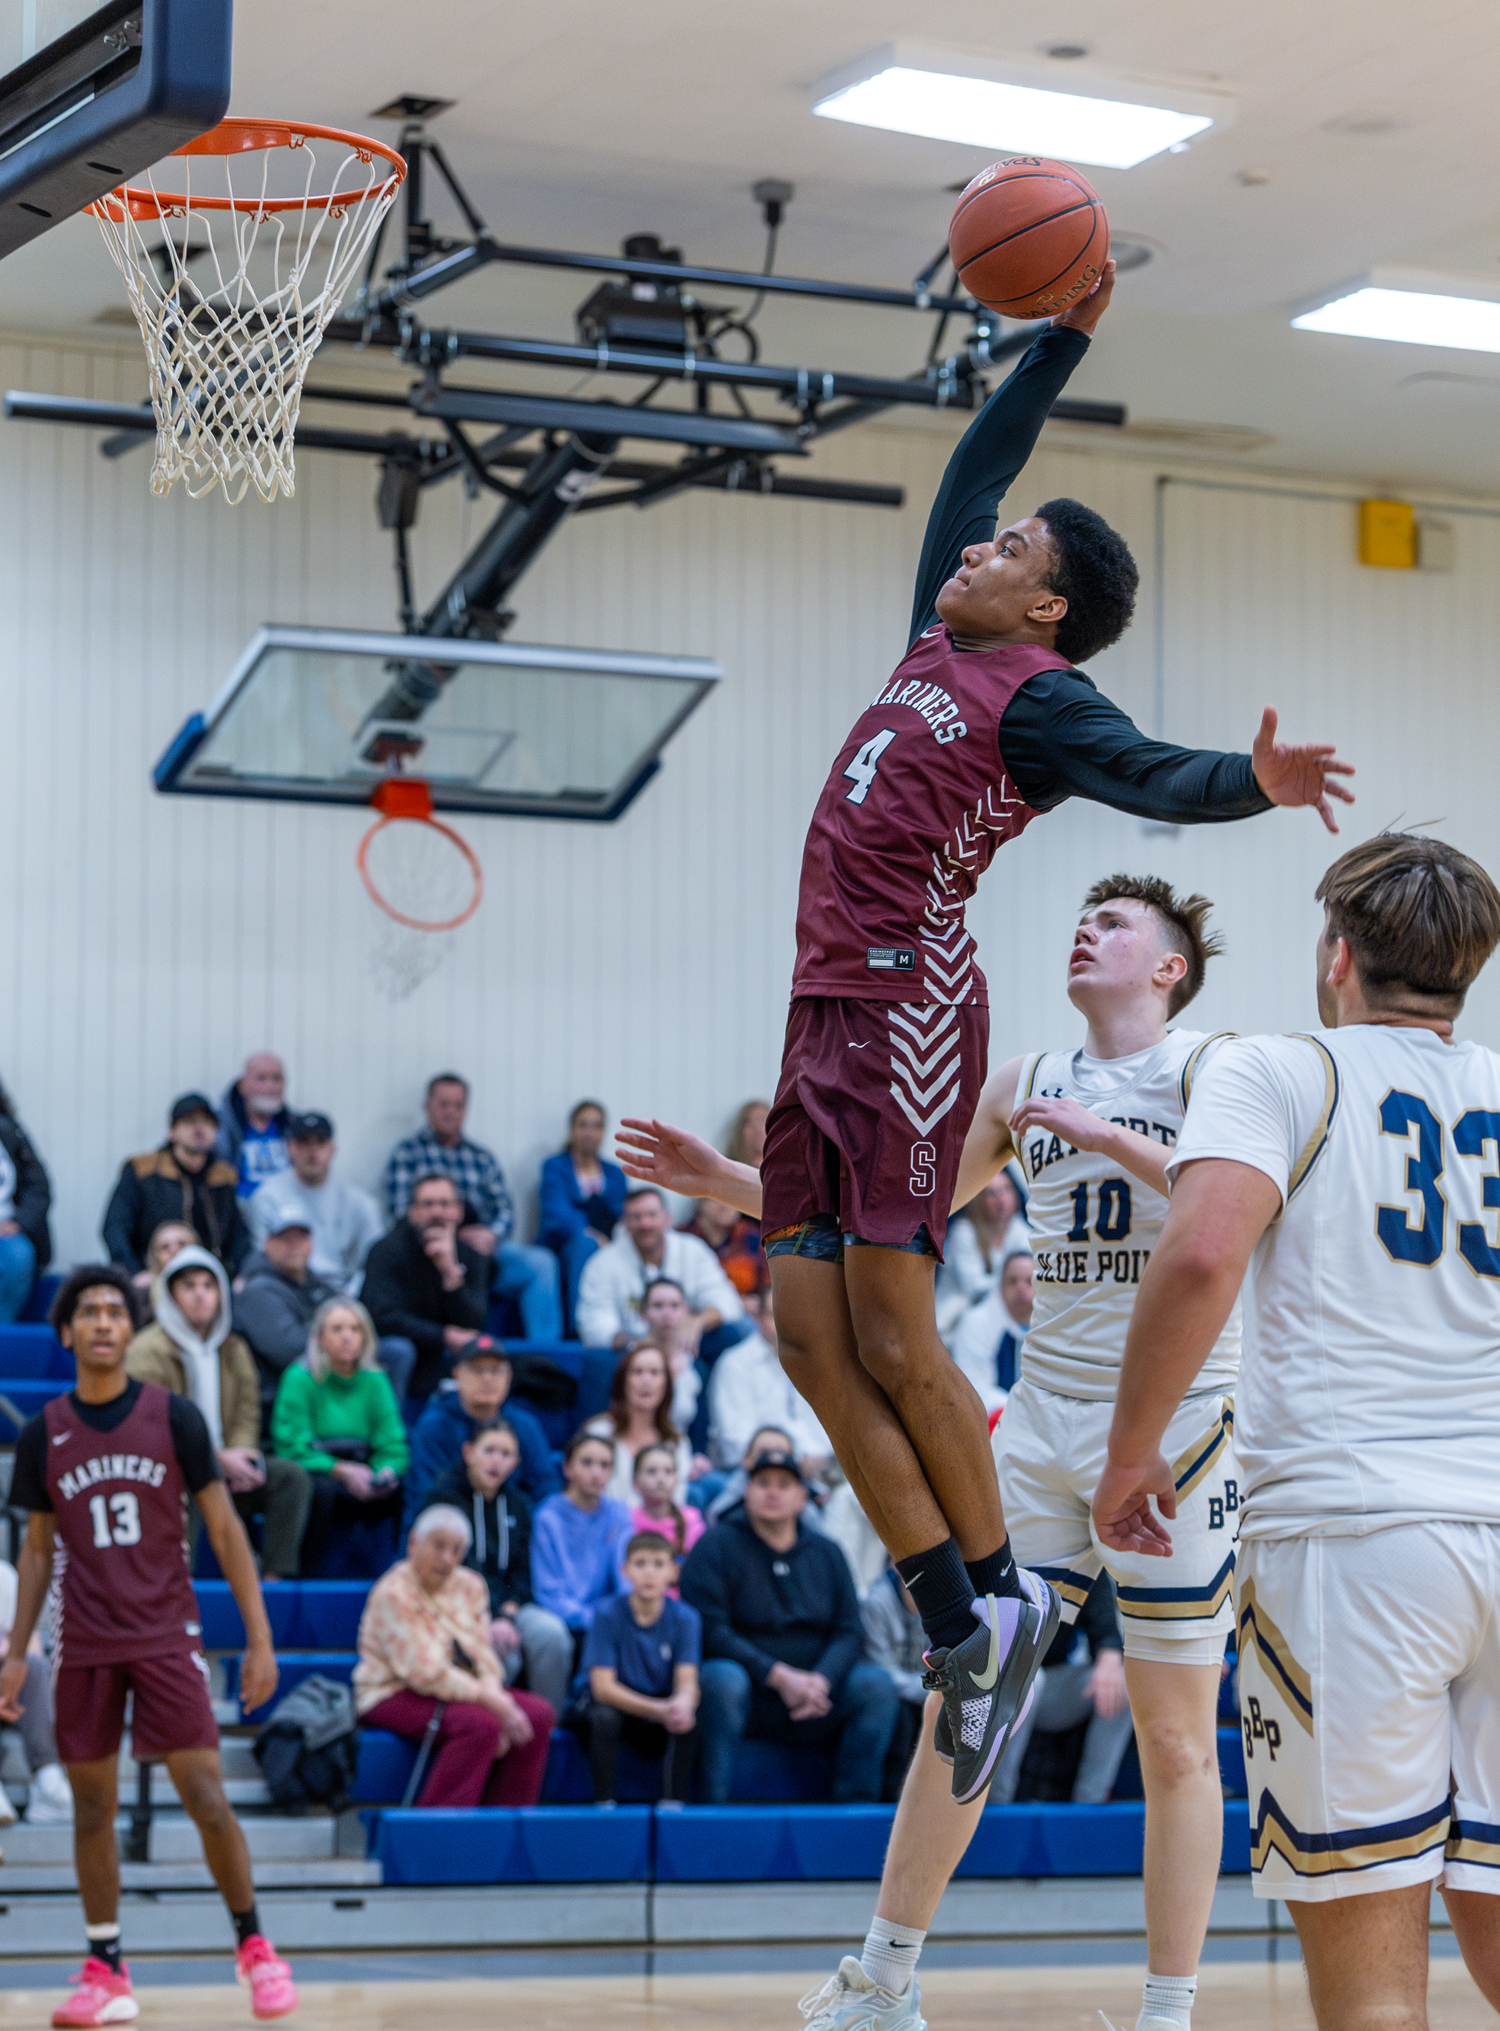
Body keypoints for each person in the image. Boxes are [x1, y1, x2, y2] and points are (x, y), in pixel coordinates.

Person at [715, 257, 1354, 1806]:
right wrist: (1059, 333)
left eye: (1011, 551)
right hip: (816, 1010)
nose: (981, 544)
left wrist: (1250, 787)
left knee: (887, 1324)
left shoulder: (1037, 697)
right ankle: (959, 1616)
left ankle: (995, 1592)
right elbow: (976, 465)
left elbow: (1152, 770)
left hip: (909, 1001)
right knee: (801, 1335)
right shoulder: (938, 629)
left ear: (1046, 604)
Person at [620, 872, 1247, 2031]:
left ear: (1169, 968)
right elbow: (894, 1223)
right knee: (969, 1698)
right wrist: (727, 1184)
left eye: (1113, 922)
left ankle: (1169, 2014)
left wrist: (1108, 1136)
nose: (1085, 926)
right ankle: (885, 1980)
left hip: (1176, 1436)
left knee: (1172, 1735)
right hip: (1042, 1424)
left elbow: (1238, 1204)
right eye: (1083, 912)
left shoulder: (1216, 1068)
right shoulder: (1024, 1082)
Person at [1092, 833, 1500, 2031]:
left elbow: (1205, 1249)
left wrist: (1130, 1451)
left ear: (1336, 956)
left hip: (1353, 1539)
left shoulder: (1279, 1066)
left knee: (1373, 1986)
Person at [0, 1266, 297, 2023]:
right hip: (85, 1639)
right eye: (88, 1312)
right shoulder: (43, 1433)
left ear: (130, 1331)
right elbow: (36, 1548)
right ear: (66, 1332)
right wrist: (15, 1648)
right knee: (91, 1809)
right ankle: (106, 1966)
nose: (103, 1322)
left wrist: (259, 1637)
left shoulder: (176, 1417)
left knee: (203, 1792)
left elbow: (225, 1529)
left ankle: (255, 1946)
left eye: (114, 1311)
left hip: (167, 1631)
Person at [682, 1449, 898, 1804]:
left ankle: (853, 1814)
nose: (772, 1492)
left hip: (818, 1694)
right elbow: (709, 1629)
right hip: (750, 1690)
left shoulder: (828, 1552)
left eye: (784, 1484)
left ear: (802, 1497)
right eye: (763, 1482)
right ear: (746, 1491)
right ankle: (711, 1809)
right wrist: (779, 1676)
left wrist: (822, 1679)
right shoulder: (715, 1546)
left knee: (875, 1687)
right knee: (721, 1680)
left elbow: (848, 1629)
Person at [127, 1246, 311, 1583]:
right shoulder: (145, 1351)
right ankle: (181, 1588)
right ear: (170, 1294)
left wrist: (241, 1456)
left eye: (208, 1286)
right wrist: (215, 1459)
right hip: (169, 1468)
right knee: (197, 1480)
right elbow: (152, 1427)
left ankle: (273, 1581)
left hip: (226, 1462)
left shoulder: (234, 1348)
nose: (201, 1295)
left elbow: (247, 1412)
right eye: (189, 1286)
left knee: (290, 1478)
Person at [353, 1506, 553, 1808]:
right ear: (413, 1543)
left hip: (461, 1690)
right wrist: (493, 1703)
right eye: (438, 1546)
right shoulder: (392, 1592)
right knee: (480, 1724)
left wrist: (495, 1694)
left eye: (457, 1550)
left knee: (538, 1715)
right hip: (392, 1690)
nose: (448, 1559)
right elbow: (423, 1671)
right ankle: (436, 1833)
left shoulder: (471, 1585)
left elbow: (483, 1654)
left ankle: (503, 1825)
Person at [384, 1075, 562, 1343]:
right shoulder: (407, 1154)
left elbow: (504, 1208)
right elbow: (402, 1213)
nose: (450, 1111)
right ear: (427, 1107)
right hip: (428, 1252)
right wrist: (451, 1240)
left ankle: (544, 1357)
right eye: (444, 1104)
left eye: (458, 1105)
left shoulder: (481, 1158)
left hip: (483, 1249)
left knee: (540, 1263)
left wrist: (491, 1235)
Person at [428, 1422, 573, 1714]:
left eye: (506, 1454)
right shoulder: (444, 1499)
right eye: (489, 1450)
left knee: (552, 1635)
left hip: (509, 1606)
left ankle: (549, 1726)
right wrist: (492, 1615)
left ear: (517, 1462)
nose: (497, 1460)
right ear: (468, 1452)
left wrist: (510, 1608)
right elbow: (455, 1570)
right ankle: (496, 1729)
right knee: (502, 1653)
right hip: (459, 1607)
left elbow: (522, 1569)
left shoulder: (518, 1504)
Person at [271, 1298, 408, 1578]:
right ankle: (310, 1576)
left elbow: (393, 1442)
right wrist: (341, 1471)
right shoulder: (300, 1378)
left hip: (364, 1464)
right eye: (337, 1329)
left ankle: (391, 1575)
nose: (347, 1336)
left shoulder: (375, 1380)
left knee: (401, 1490)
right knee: (321, 1491)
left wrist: (385, 1470)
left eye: (355, 1329)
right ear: (320, 1337)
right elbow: (292, 1445)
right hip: (320, 1469)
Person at [573, 1531, 701, 1805]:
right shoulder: (607, 1614)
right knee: (603, 1717)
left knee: (686, 1720)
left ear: (673, 1571)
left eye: (658, 1564)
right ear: (625, 1570)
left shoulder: (687, 1618)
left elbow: (687, 1680)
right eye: (640, 1564)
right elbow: (603, 1688)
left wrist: (682, 1704)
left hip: (657, 1705)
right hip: (614, 1706)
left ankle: (674, 1807)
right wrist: (660, 1710)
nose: (649, 1574)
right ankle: (603, 1804)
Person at [990, 1572, 1133, 1807]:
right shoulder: (1000, 1552)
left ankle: (1090, 1804)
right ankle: (996, 1801)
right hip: (991, 1688)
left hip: (1049, 1686)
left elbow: (1106, 1633)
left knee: (1124, 1682)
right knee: (1028, 1679)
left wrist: (1110, 1656)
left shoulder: (1082, 1561)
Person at [576, 1185, 749, 1363]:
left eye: (652, 1215)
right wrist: (638, 1345)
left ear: (668, 1218)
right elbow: (594, 1324)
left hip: (688, 1347)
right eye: (636, 1217)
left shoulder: (693, 1250)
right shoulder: (602, 1263)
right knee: (599, 1359)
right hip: (630, 1354)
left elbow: (725, 1300)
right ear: (624, 1223)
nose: (645, 1224)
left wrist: (698, 1322)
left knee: (739, 1331)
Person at [361, 1173, 491, 1401]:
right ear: (412, 1212)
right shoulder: (386, 1250)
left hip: (442, 1354)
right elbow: (381, 1316)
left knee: (487, 1350)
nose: (437, 1212)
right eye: (427, 1204)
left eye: (445, 1204)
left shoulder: (471, 1256)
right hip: (398, 1348)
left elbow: (474, 1321)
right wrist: (443, 1335)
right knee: (400, 1350)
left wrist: (450, 1273)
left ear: (459, 1210)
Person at [404, 1336, 560, 1524]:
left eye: (496, 1370)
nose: (487, 1378)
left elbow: (545, 1488)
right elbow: (425, 1491)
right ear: (457, 1374)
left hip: (511, 1532)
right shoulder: (435, 1425)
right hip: (452, 1533)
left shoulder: (525, 1425)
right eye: (477, 1370)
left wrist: (519, 1527)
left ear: (509, 1376)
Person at [103, 1093, 249, 1282]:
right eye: (189, 1122)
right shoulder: (143, 1170)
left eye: (207, 1122)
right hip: (153, 1276)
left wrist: (239, 1275)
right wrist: (135, 1273)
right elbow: (115, 1228)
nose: (199, 1128)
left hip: (208, 1280)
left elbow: (238, 1235)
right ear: (171, 1132)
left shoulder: (223, 1176)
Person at [246, 1114, 384, 1292]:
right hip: (286, 1288)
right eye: (304, 1142)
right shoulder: (266, 1197)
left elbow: (376, 1262)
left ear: (332, 1148)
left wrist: (349, 1297)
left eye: (320, 1142)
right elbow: (262, 1258)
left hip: (343, 1292)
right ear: (289, 1148)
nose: (313, 1151)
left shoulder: (360, 1202)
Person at [706, 1288, 831, 1478]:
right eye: (775, 1316)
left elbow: (826, 1429)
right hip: (750, 1471)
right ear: (758, 1317)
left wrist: (815, 1458)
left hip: (816, 1470)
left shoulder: (814, 1363)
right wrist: (790, 1459)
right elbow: (733, 1438)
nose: (785, 1324)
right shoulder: (735, 1364)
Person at [530, 1432, 633, 1639]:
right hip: (563, 1618)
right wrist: (592, 1619)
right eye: (587, 1463)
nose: (596, 1473)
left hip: (609, 1618)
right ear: (567, 1468)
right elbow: (548, 1591)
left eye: (605, 1465)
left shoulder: (618, 1513)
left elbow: (625, 1577)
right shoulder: (548, 1517)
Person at [539, 1100, 629, 1329]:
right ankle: (579, 1325)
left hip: (608, 1240)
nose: (589, 1132)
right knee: (585, 1244)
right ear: (572, 1130)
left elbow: (622, 1214)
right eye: (583, 1125)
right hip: (563, 1243)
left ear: (603, 1132)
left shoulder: (615, 1173)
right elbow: (557, 1214)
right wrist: (592, 1234)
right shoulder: (555, 1166)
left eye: (596, 1126)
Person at [0, 1558, 72, 1825]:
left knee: (37, 1667)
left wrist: (8, 1691)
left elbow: (30, 1642)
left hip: (6, 1685)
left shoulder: (4, 1576)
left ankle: (48, 1778)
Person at [585, 1344, 692, 1506]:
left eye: (654, 1373)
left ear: (667, 1385)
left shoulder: (677, 1443)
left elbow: (676, 1505)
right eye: (637, 1372)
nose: (646, 1381)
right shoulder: (598, 1433)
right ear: (623, 1382)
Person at [935, 1169, 1027, 1338]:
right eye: (992, 1193)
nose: (1001, 1198)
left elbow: (1031, 1271)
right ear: (979, 1200)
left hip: (996, 1319)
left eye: (1006, 1189)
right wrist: (1015, 1286)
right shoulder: (964, 1232)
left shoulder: (1018, 1228)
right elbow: (975, 1290)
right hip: (952, 1323)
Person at [950, 1248, 1034, 1411]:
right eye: (1012, 1281)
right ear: (1000, 1285)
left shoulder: (1051, 1327)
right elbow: (974, 1390)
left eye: (1029, 1281)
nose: (1021, 1289)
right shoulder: (975, 1323)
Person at [0, 1077, 51, 1323]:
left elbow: (39, 1187)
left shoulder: (10, 1133)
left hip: (6, 1232)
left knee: (19, 1255)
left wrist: (19, 1221)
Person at [216, 1054, 293, 1202]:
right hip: (240, 1207)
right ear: (242, 1085)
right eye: (261, 1078)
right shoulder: (220, 1126)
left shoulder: (293, 1124)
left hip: (289, 1208)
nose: (270, 1087)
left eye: (276, 1078)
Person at [630, 1442, 705, 1566]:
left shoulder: (691, 1519)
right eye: (651, 1471)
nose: (661, 1479)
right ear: (634, 1481)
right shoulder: (627, 1520)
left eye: (668, 1472)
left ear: (676, 1479)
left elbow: (699, 1567)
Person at [679, 1198, 767, 1301]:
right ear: (699, 1202)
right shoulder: (683, 1238)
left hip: (748, 1312)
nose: (725, 1206)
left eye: (731, 1198)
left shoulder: (750, 1236)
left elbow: (768, 1284)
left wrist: (759, 1302)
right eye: (715, 1199)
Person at [136, 1220, 198, 1316]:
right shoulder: (144, 1287)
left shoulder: (213, 1282)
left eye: (182, 1244)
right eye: (165, 1247)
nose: (174, 1250)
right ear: (155, 1257)